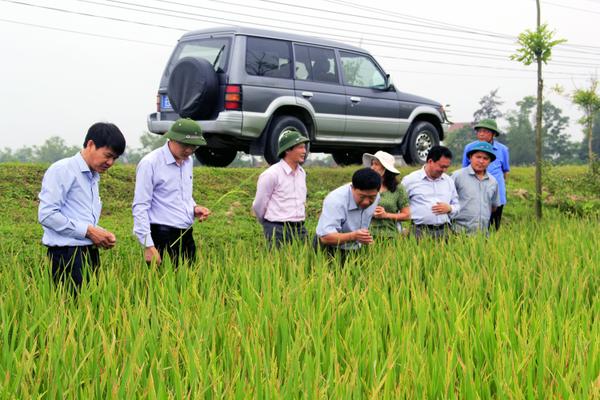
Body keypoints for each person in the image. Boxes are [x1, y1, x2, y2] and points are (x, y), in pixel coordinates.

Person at [38, 122, 126, 291]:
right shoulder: (63, 170)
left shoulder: (93, 175)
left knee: (90, 309)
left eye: (114, 158)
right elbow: (47, 215)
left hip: (88, 252)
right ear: (91, 144)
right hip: (67, 255)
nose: (110, 162)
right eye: (107, 155)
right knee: (70, 311)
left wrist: (100, 233)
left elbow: (79, 216)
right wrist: (90, 231)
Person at [132, 118, 211, 266]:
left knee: (188, 282)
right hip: (161, 234)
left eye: (194, 147)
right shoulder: (150, 163)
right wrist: (148, 246)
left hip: (185, 233)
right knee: (161, 286)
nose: (189, 150)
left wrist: (194, 208)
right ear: (171, 139)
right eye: (185, 145)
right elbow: (140, 206)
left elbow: (181, 195)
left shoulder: (188, 161)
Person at [252, 129, 310, 248]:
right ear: (288, 149)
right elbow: (259, 204)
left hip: (300, 228)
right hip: (277, 228)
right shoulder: (271, 174)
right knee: (277, 264)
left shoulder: (302, 173)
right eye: (300, 147)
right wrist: (269, 224)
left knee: (305, 262)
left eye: (304, 147)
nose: (304, 151)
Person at [315, 168, 381, 258]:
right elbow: (325, 237)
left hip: (355, 247)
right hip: (329, 248)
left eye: (371, 197)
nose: (366, 202)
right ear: (352, 188)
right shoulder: (336, 201)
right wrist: (354, 236)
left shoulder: (377, 197)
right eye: (362, 196)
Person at [401, 145, 460, 240]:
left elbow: (457, 205)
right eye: (442, 166)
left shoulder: (449, 181)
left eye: (447, 167)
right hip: (419, 232)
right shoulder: (410, 180)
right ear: (430, 161)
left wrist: (450, 208)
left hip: (444, 231)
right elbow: (397, 205)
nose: (444, 170)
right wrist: (400, 229)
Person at [462, 119, 510, 230]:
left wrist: (500, 187)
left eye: (486, 131)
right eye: (479, 131)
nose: (481, 134)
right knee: (477, 225)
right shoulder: (469, 148)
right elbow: (465, 170)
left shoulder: (502, 149)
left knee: (494, 226)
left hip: (496, 192)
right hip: (475, 191)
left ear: (493, 134)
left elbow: (505, 170)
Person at [452, 142, 500, 234]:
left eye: (485, 158)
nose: (481, 161)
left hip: (482, 234)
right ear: (470, 157)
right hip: (458, 232)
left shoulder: (493, 181)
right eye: (478, 157)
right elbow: (447, 201)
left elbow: (494, 206)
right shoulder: (457, 176)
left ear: (490, 161)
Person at [362, 151, 410, 239]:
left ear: (386, 169)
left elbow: (407, 215)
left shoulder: (398, 189)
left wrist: (385, 215)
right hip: (365, 235)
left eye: (376, 164)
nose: (372, 168)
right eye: (372, 164)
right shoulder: (364, 185)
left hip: (390, 236)